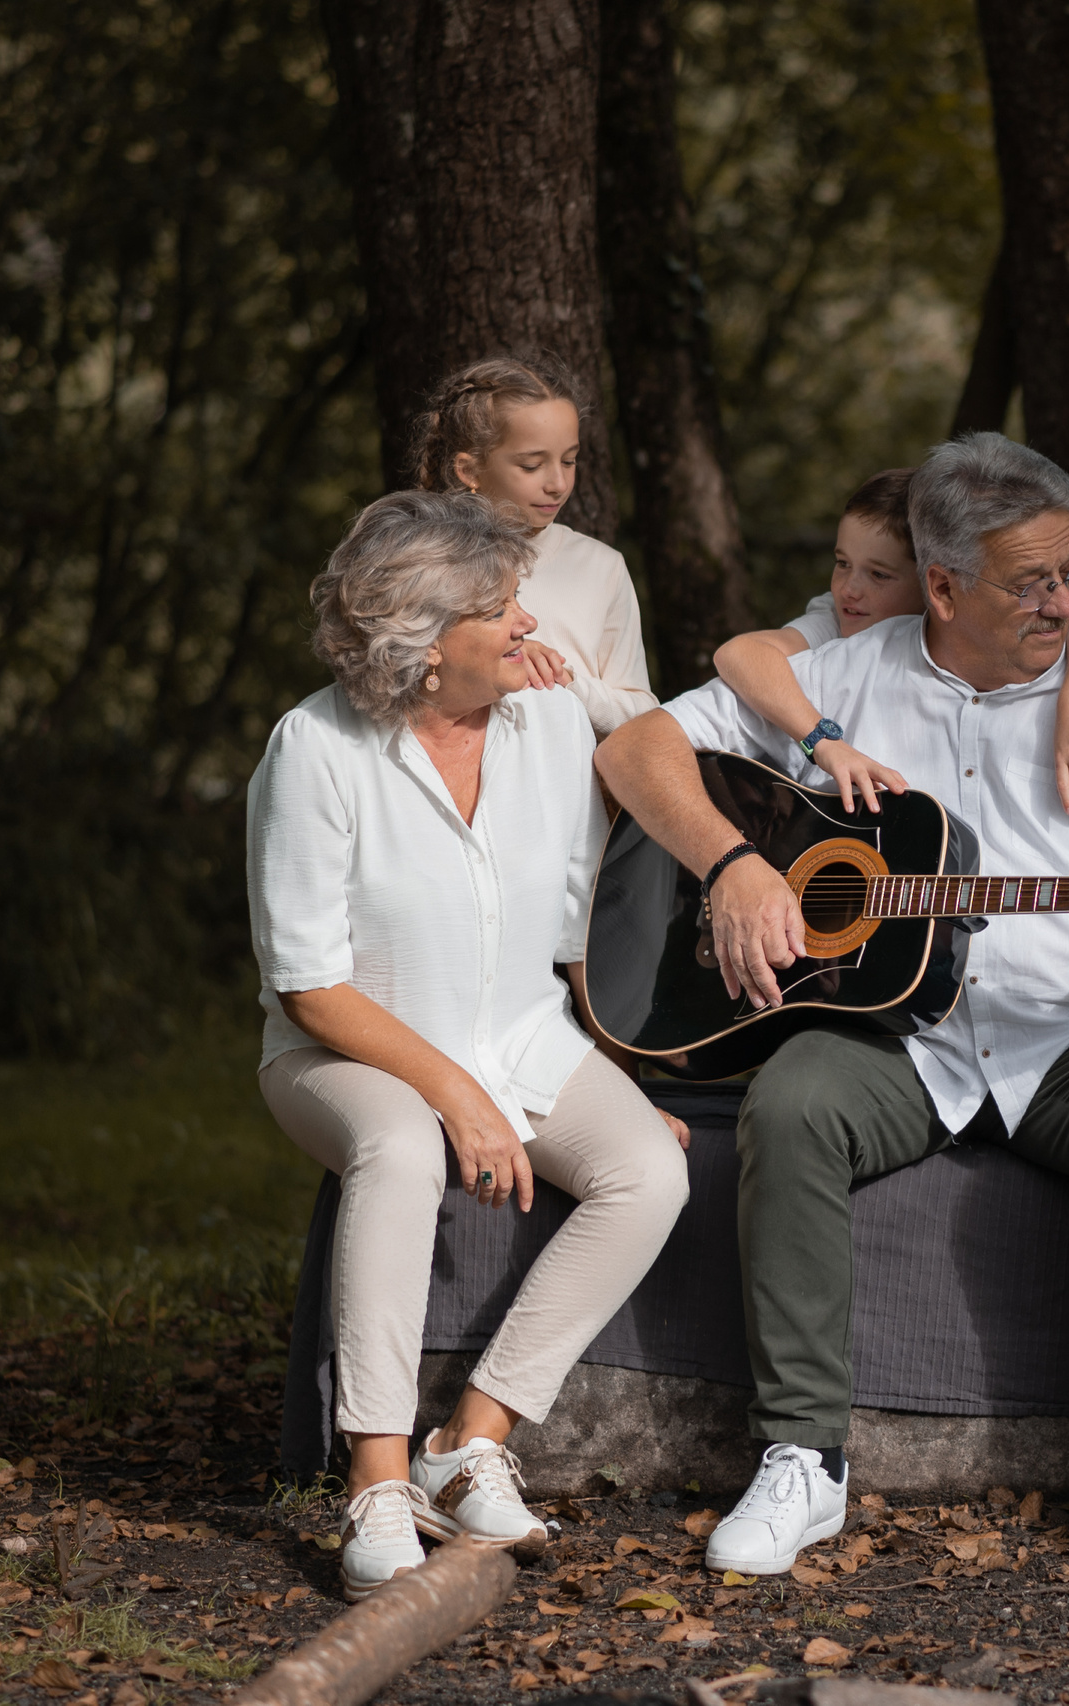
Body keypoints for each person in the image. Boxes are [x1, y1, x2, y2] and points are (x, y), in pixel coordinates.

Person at [595, 432, 1069, 1577]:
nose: (1061, 599)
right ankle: (802, 1458)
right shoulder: (838, 677)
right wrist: (732, 863)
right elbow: (638, 748)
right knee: (792, 1101)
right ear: (941, 586)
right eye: (1030, 579)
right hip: (899, 1033)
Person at [248, 490, 691, 1600]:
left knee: (650, 1170)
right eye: (500, 611)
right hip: (348, 1052)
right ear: (423, 637)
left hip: (519, 1037)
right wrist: (453, 1092)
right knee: (399, 1147)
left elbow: (577, 902)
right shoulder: (314, 747)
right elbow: (308, 985)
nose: (526, 628)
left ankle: (470, 1436)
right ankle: (376, 1480)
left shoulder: (542, 721)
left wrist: (619, 1073)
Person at [710, 468, 1069, 816]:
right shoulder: (840, 621)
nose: (849, 589)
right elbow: (739, 653)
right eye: (842, 564)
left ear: (936, 588)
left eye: (879, 574)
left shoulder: (988, 622)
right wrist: (823, 742)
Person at [411, 352, 658, 737]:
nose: (557, 484)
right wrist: (490, 662)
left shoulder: (601, 567)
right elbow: (388, 685)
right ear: (469, 470)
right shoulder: (423, 561)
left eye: (570, 461)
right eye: (531, 465)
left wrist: (566, 680)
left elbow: (643, 715)